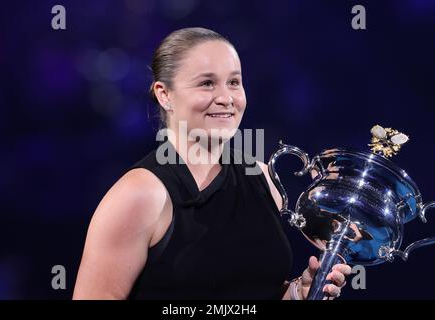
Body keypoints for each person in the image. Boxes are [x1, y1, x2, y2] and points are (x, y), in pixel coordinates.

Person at [73, 27, 351, 300]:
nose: (226, 98)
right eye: (207, 83)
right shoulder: (140, 194)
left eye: (234, 82)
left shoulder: (264, 178)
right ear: (164, 94)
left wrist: (295, 293)